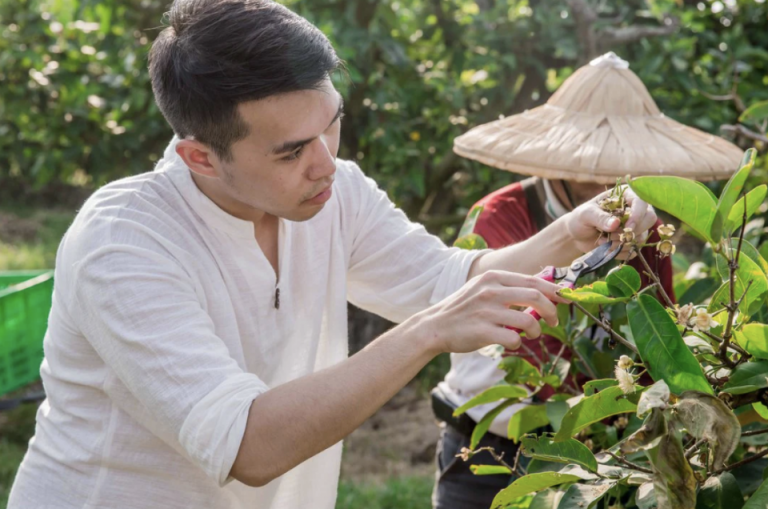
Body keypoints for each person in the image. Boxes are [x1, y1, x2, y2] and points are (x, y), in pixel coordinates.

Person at [7, 2, 658, 508]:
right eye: (292, 150)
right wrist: (428, 332)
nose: (325, 162)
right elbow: (248, 443)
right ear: (200, 156)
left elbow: (441, 279)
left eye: (332, 123)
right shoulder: (124, 242)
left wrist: (571, 231)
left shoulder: (333, 192)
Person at [430, 178, 674, 509]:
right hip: (493, 445)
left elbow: (659, 336)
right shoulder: (500, 214)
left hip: (598, 445)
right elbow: (522, 343)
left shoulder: (643, 226)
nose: (599, 176)